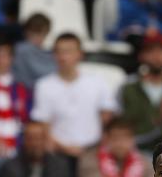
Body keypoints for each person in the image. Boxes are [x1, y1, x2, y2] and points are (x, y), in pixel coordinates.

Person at [31, 33, 118, 161]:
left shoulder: (98, 82)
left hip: (93, 152)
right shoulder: (43, 86)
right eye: (59, 52)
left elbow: (107, 118)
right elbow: (43, 124)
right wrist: (64, 148)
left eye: (68, 51)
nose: (63, 57)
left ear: (80, 54)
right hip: (57, 153)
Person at [119, 33, 162, 152]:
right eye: (151, 50)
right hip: (135, 154)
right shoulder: (128, 89)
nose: (157, 56)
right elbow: (123, 127)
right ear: (141, 55)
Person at [76, 117, 156, 177]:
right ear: (106, 139)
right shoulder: (90, 158)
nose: (121, 143)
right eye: (116, 138)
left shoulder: (142, 160)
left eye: (126, 138)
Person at [0, 121, 75, 177]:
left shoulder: (60, 167)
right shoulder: (10, 168)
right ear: (24, 141)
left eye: (39, 138)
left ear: (46, 140)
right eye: (31, 139)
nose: (35, 144)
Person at [12, 12, 55, 90]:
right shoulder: (22, 49)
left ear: (46, 33)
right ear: (26, 33)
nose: (36, 38)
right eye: (32, 34)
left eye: (40, 34)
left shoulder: (51, 54)